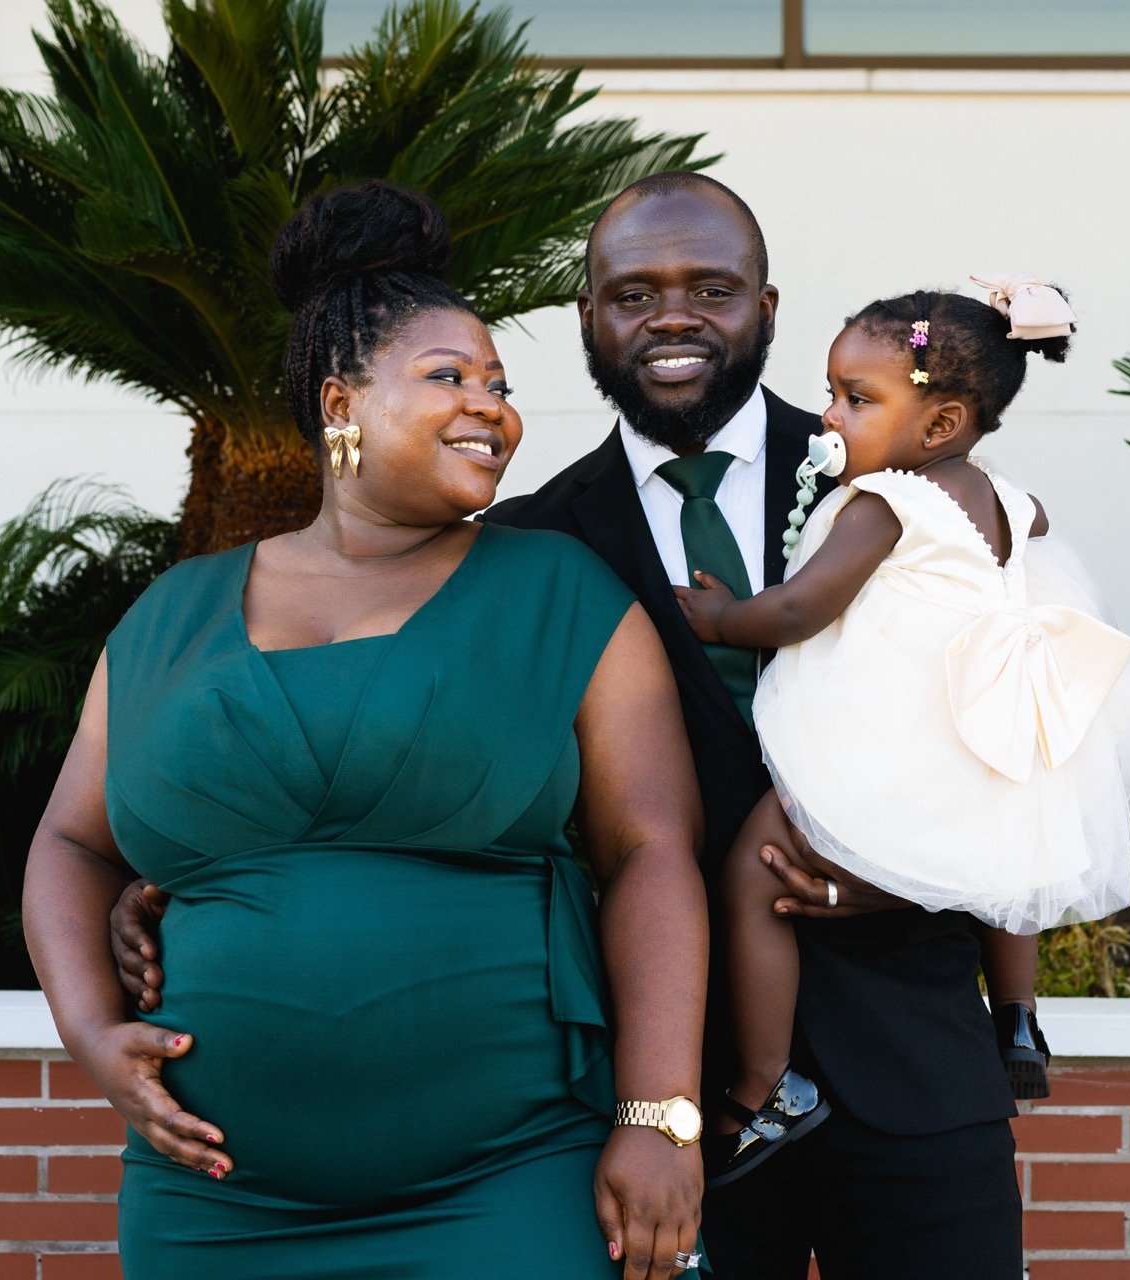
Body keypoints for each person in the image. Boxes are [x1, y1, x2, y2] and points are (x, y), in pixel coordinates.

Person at [114, 173, 1031, 1278]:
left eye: (713, 288)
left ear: (769, 309)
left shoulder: (912, 478)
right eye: (634, 293)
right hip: (657, 1100)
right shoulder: (522, 546)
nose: (674, 316)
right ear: (588, 320)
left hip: (909, 1055)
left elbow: (1028, 730)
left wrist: (907, 874)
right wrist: (187, 864)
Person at [22, 181, 711, 1280]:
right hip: (214, 1198)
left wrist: (660, 1112)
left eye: (500, 384)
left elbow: (650, 855)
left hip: (508, 1178)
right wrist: (91, 1034)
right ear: (340, 401)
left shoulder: (558, 592)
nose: (492, 406)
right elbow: (70, 842)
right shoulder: (173, 615)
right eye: (449, 377)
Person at [673, 281, 1130, 1186]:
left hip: (896, 736)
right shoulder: (1005, 497)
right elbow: (1038, 522)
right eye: (833, 391)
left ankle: (765, 1084)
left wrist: (724, 618)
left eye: (858, 399)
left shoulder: (885, 505)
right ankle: (1015, 1015)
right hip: (985, 728)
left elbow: (806, 606)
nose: (831, 415)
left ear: (938, 426)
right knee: (1015, 851)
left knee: (752, 876)